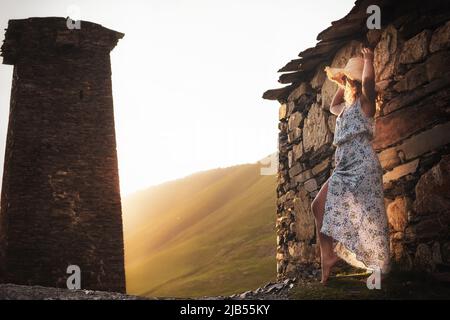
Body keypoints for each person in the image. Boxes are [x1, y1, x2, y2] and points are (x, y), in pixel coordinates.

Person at [311, 47, 390, 284]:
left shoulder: (366, 104)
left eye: (348, 79)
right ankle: (329, 256)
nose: (345, 83)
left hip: (363, 165)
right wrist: (342, 80)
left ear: (355, 81)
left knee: (370, 216)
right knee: (318, 206)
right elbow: (333, 104)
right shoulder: (343, 110)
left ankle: (376, 267)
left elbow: (368, 81)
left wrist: (368, 59)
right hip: (344, 166)